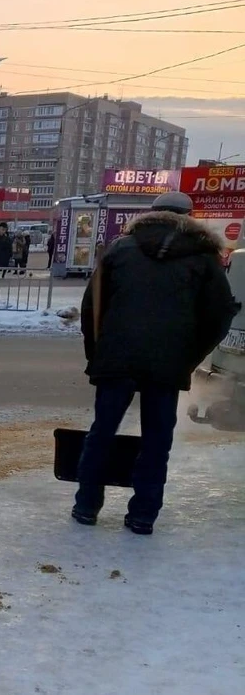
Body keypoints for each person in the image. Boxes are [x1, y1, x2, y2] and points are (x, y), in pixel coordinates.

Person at [73, 191, 239, 535]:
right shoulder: (203, 256)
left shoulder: (120, 249)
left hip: (117, 357)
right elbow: (220, 314)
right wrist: (189, 358)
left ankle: (86, 506)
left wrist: (97, 355)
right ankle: (143, 516)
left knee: (101, 433)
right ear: (189, 216)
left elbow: (92, 307)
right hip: (168, 364)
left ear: (150, 213)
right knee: (156, 440)